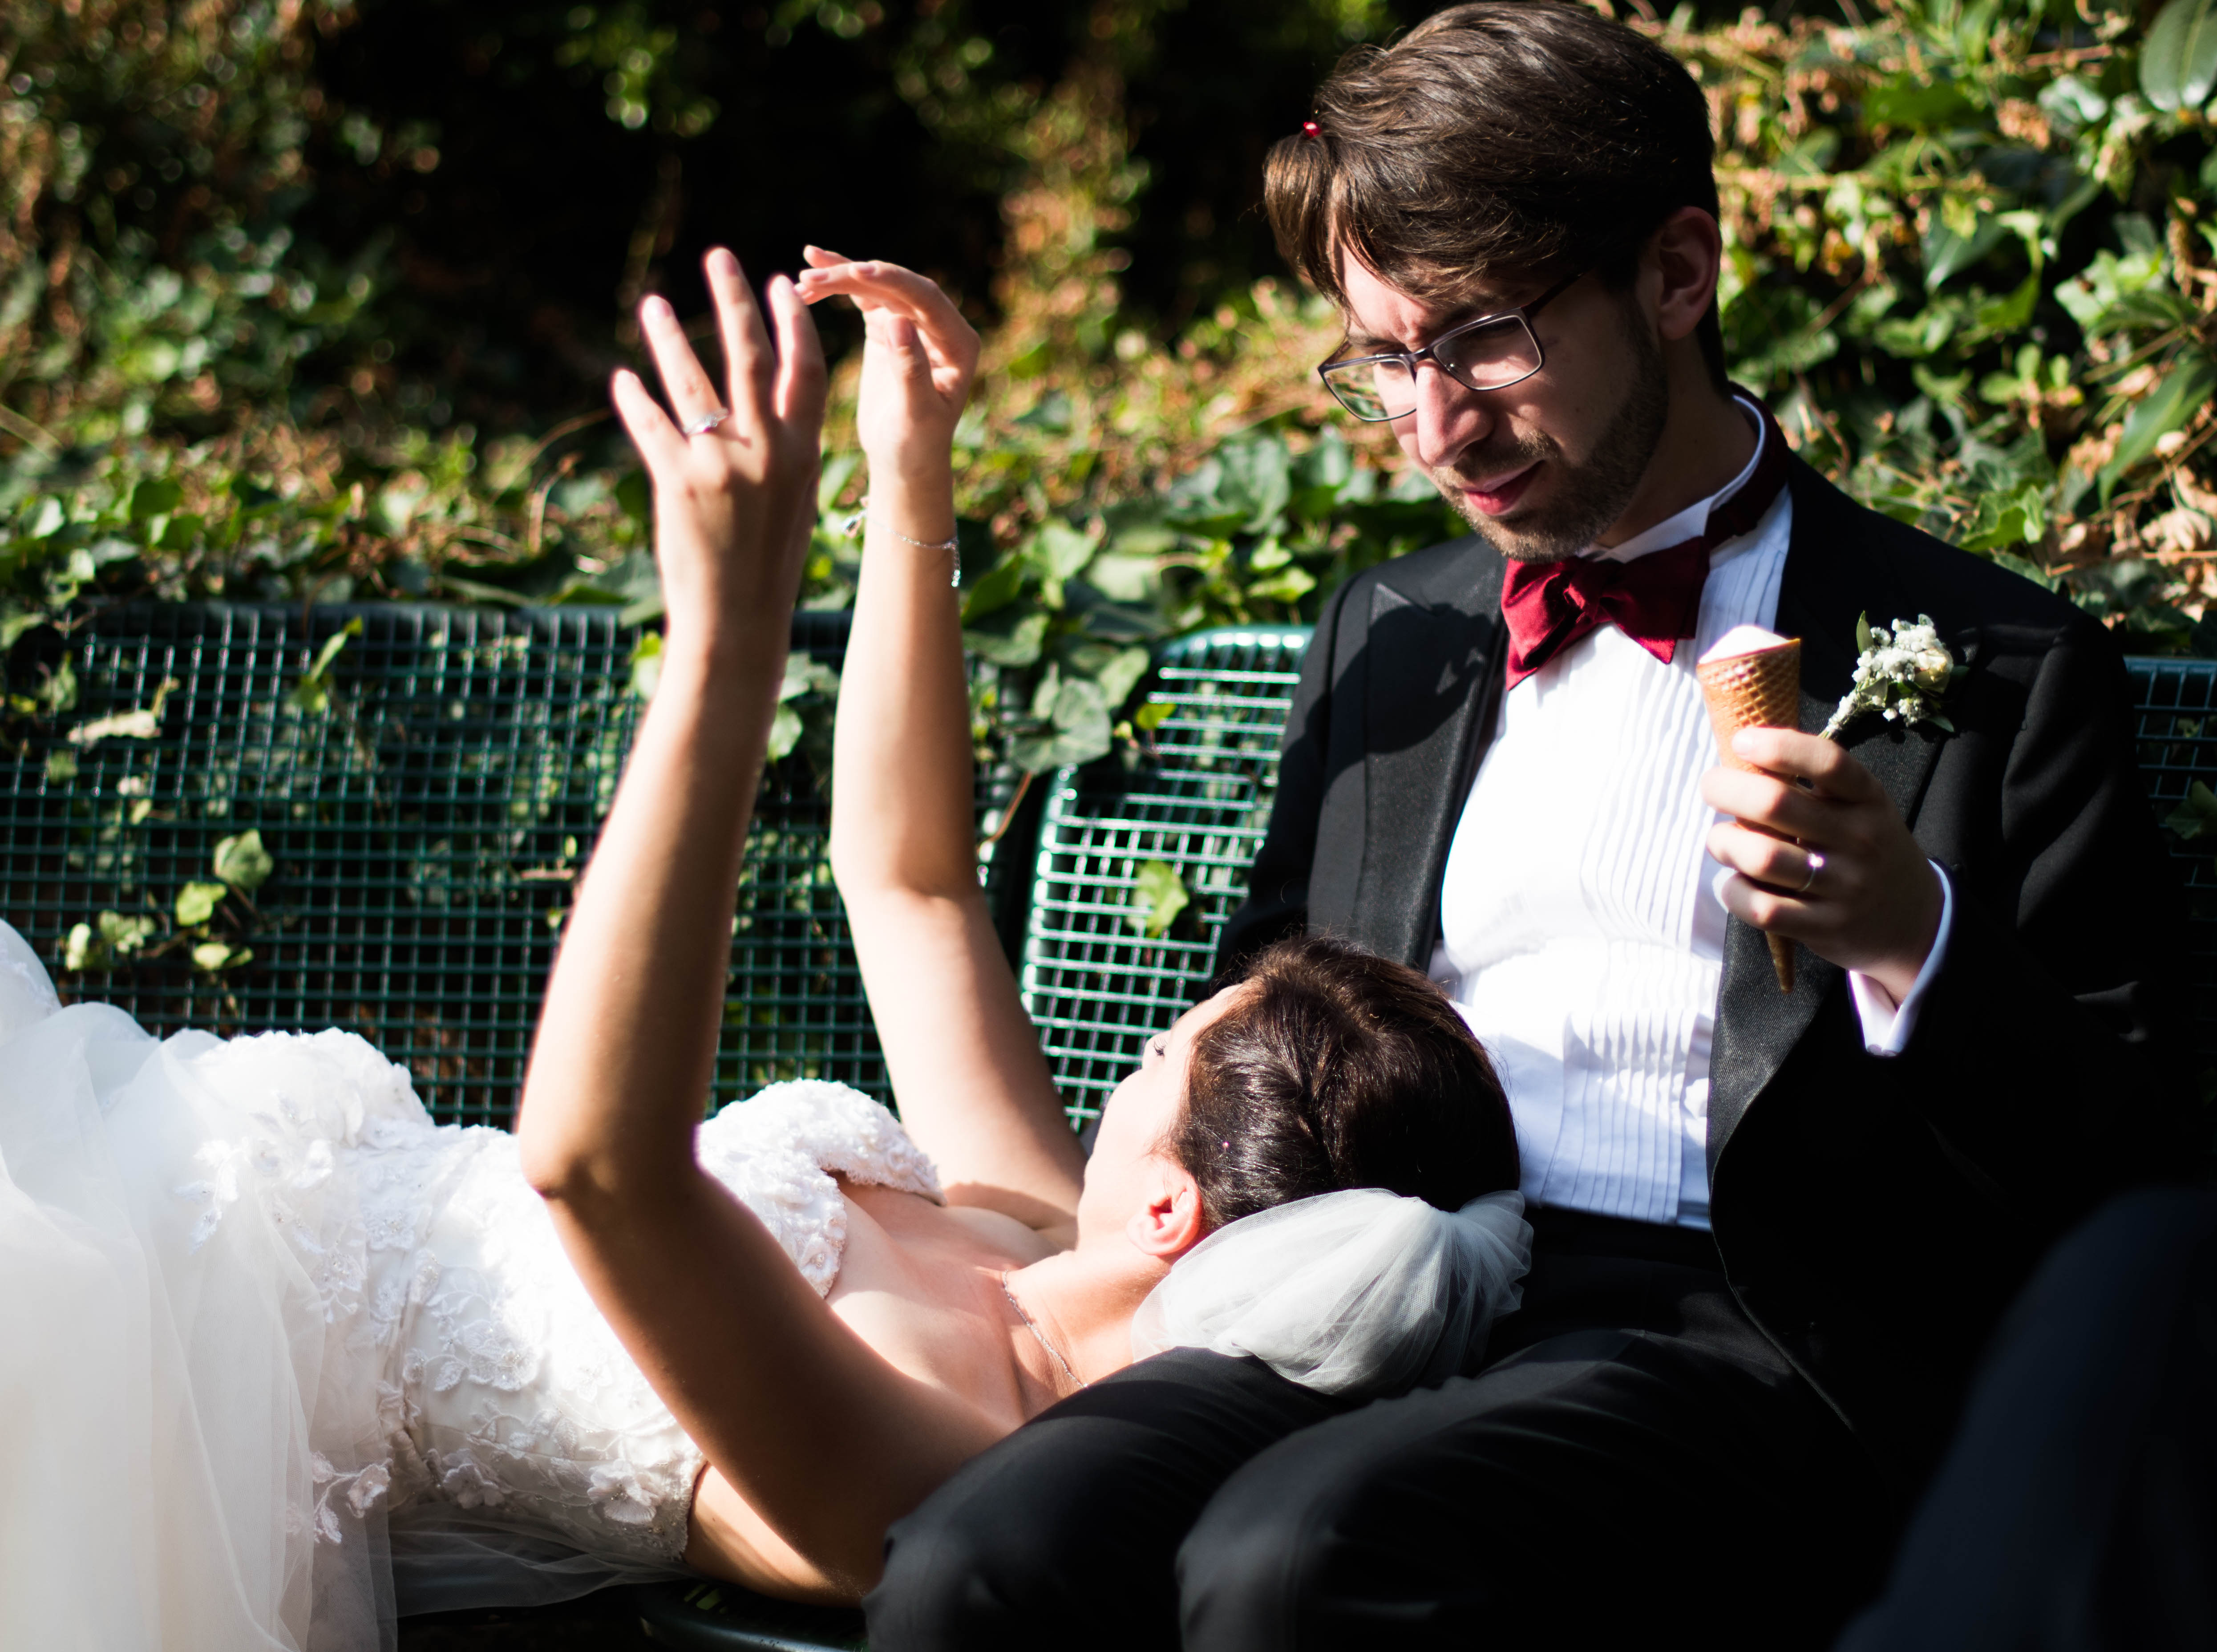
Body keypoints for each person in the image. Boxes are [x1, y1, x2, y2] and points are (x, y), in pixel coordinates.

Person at [865, 7, 2189, 1648]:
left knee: (1298, 1557)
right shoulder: (1395, 632)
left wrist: (1907, 934)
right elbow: (1274, 992)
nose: (1434, 427)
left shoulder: (1992, 666)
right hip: (1373, 1282)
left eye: (1482, 341)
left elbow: (2130, 1160)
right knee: (979, 1556)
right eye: (1383, 359)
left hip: (1744, 1334)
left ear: (1676, 275)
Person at [0, 249, 1529, 1652]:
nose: (1120, 1065)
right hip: (211, 1169)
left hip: (167, 1346)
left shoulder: (939, 1462)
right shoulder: (1033, 1231)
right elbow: (910, 884)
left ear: (1173, 1207)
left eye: (1154, 1053)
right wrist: (909, 471)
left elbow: (601, 1166)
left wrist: (727, 637)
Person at [1825, 791, 2217, 1650]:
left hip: (1810, 1362)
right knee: (2179, 1284)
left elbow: (2114, 1147)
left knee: (2172, 1285)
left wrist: (1916, 934)